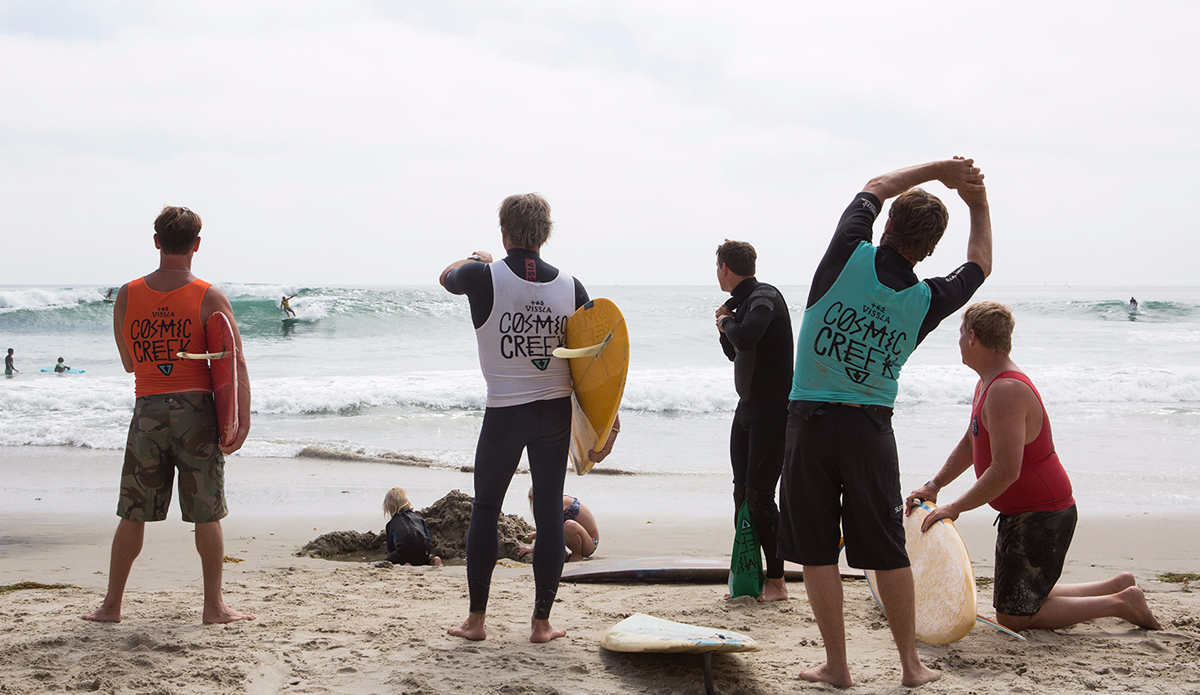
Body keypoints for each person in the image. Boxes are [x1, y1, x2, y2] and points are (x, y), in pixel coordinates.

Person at [777, 158, 992, 688]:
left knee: (819, 550)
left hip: (809, 423)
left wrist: (943, 169)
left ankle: (838, 666)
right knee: (887, 551)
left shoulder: (846, 256)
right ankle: (911, 668)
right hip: (872, 431)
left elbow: (876, 185)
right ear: (928, 248)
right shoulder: (927, 300)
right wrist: (977, 201)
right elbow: (981, 263)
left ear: (888, 225)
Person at [905, 301, 1161, 633]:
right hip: (1023, 513)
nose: (957, 342)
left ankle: (1121, 603)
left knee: (1014, 617)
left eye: (958, 333)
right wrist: (935, 486)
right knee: (1025, 597)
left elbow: (1005, 471)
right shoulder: (987, 383)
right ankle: (1115, 586)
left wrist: (955, 508)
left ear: (972, 336)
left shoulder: (1006, 390)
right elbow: (972, 441)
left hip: (1043, 514)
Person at [439, 193, 617, 644]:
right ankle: (541, 624)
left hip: (504, 413)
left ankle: (476, 621)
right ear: (545, 234)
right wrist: (605, 423)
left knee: (485, 510)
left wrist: (478, 258)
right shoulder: (573, 287)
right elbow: (598, 364)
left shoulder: (482, 276)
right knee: (551, 517)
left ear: (505, 233)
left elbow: (446, 277)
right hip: (554, 415)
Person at [83, 205, 253, 625]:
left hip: (148, 412)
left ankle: (111, 606)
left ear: (157, 241)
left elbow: (128, 362)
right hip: (197, 413)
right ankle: (213, 608)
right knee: (206, 512)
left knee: (133, 512)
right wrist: (241, 421)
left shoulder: (127, 293)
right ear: (196, 245)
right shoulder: (210, 295)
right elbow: (234, 362)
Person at [713, 240, 793, 601]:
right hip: (747, 409)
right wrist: (724, 326)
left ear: (725, 267)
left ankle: (777, 582)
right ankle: (748, 574)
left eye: (717, 267)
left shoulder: (764, 297)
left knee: (760, 498)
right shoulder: (743, 303)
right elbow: (736, 351)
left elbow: (744, 337)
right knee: (741, 494)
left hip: (773, 413)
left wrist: (728, 322)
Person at [518, 492, 600, 563]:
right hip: (579, 540)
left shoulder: (561, 502)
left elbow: (551, 527)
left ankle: (577, 555)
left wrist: (534, 548)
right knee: (560, 527)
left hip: (590, 543)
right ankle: (562, 553)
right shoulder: (553, 504)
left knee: (568, 525)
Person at [383, 487, 442, 566]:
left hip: (405, 551)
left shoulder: (391, 524)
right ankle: (432, 560)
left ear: (389, 507)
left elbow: (390, 547)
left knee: (388, 560)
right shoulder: (418, 517)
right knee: (421, 556)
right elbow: (429, 541)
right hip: (424, 550)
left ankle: (406, 563)